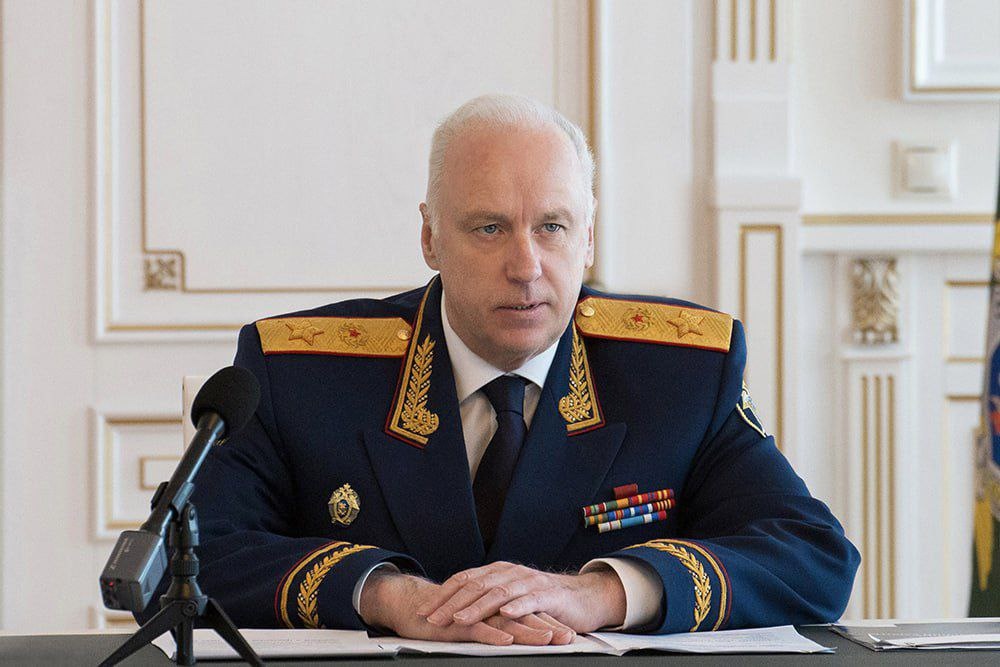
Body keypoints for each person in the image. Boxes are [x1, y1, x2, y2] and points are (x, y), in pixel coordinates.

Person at [180, 94, 859, 644]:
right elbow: (185, 560)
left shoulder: (680, 370)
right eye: (490, 228)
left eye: (552, 227)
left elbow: (812, 555)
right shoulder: (304, 369)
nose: (526, 266)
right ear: (430, 236)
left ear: (587, 237)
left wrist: (604, 592)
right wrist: (387, 596)